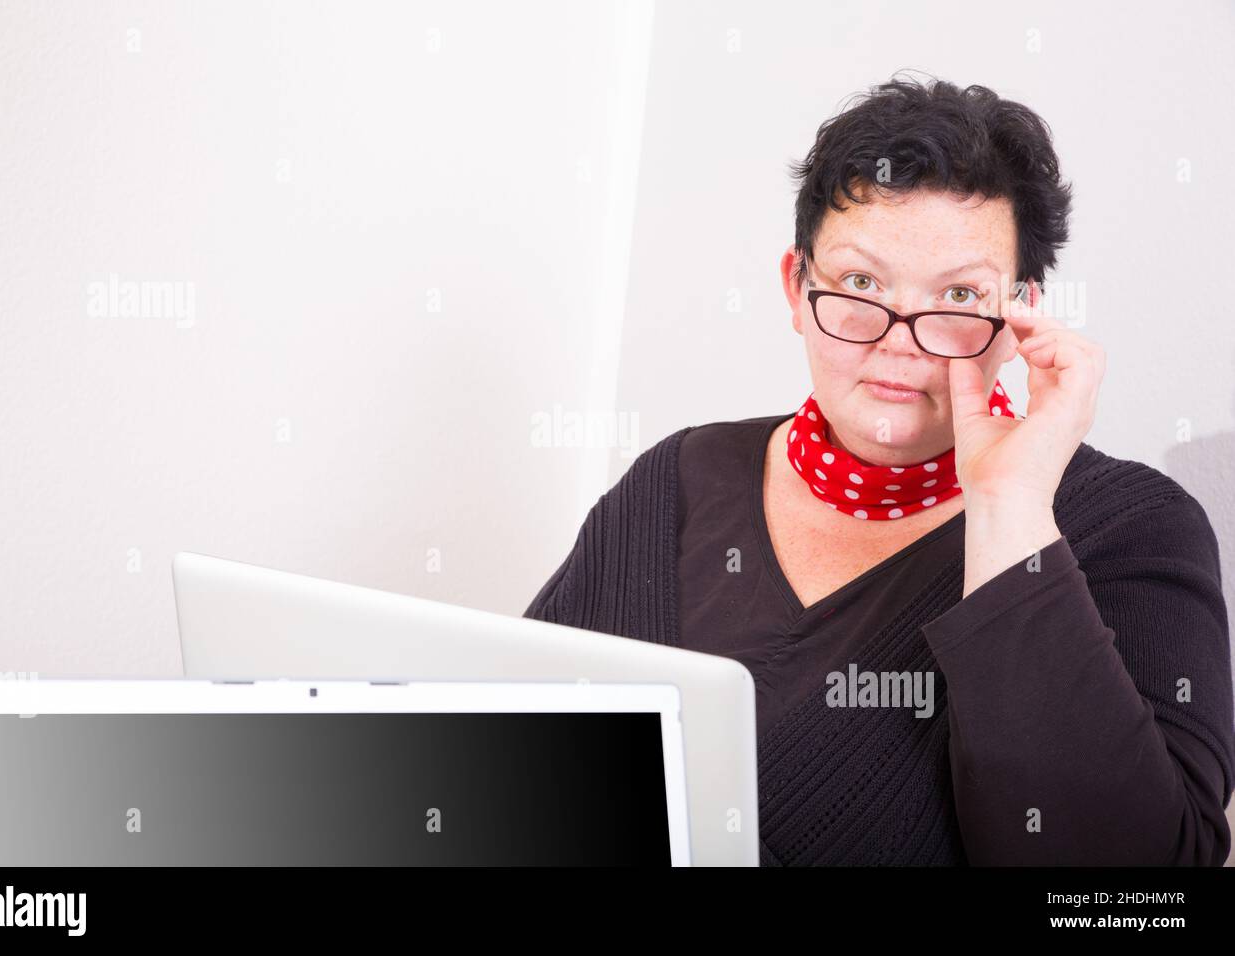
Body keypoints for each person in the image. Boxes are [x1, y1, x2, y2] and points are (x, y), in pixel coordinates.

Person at [524, 75, 1234, 866]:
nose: (900, 340)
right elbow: (513, 751)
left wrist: (1010, 506)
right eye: (861, 284)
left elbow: (1135, 900)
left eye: (959, 295)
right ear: (798, 287)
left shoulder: (1133, 526)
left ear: (1018, 318)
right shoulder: (676, 479)